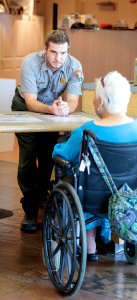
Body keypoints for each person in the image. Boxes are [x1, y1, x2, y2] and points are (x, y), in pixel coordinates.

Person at [53, 71, 137, 261]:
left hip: (92, 197)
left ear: (101, 102)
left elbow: (61, 155)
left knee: (76, 180)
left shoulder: (88, 131)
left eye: (96, 96)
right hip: (128, 195)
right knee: (97, 183)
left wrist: (58, 145)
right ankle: (93, 245)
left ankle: (87, 246)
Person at [11, 30, 84, 233]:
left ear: (68, 51)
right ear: (45, 50)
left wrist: (65, 108)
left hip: (52, 109)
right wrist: (52, 109)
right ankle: (30, 210)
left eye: (62, 53)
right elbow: (31, 102)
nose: (58, 58)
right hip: (25, 107)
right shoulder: (30, 62)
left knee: (47, 156)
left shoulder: (74, 66)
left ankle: (41, 194)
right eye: (53, 52)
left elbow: (73, 99)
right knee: (28, 156)